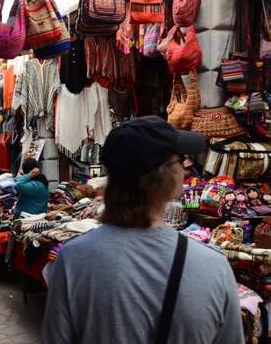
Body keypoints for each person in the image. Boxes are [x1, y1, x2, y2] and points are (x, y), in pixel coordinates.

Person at [41, 116, 243, 344]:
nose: (185, 168)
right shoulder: (212, 266)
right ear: (168, 174)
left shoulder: (73, 259)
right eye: (181, 160)